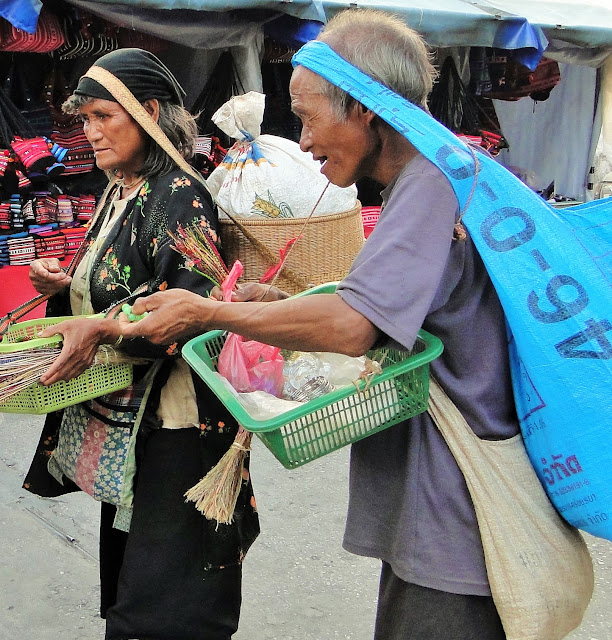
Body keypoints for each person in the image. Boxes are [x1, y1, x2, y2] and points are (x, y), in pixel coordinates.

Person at [117, 10, 521, 640]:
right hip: (441, 502)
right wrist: (276, 302)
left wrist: (210, 311)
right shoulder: (444, 172)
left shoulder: (430, 184)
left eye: (307, 118)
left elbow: (354, 325)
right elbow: (390, 308)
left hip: (453, 509)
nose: (301, 142)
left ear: (363, 108)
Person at [23, 48, 259, 640]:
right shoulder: (121, 189)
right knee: (136, 587)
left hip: (178, 431)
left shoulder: (180, 194)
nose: (90, 132)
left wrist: (102, 324)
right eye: (85, 120)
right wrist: (66, 289)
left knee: (165, 608)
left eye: (105, 116)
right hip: (133, 423)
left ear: (148, 111)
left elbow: (185, 314)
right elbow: (118, 285)